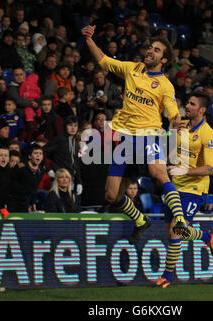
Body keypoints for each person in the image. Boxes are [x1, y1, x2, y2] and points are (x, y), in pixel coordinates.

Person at [82, 24, 190, 243]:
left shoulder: (165, 85)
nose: (150, 51)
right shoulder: (132, 68)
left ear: (164, 60)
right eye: (150, 47)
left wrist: (177, 121)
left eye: (157, 50)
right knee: (112, 196)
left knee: (159, 174)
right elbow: (103, 61)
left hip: (148, 135)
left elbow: (172, 112)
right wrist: (88, 39)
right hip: (124, 139)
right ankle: (141, 220)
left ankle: (180, 220)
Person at [156, 90, 213, 288]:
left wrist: (184, 171)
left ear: (202, 109)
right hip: (174, 187)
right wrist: (171, 131)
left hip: (194, 188)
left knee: (177, 228)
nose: (187, 107)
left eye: (192, 104)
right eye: (187, 103)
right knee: (171, 231)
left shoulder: (208, 133)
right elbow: (171, 150)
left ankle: (167, 275)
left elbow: (210, 168)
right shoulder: (181, 125)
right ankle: (206, 237)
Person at [43, 115, 83, 198]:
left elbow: (76, 164)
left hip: (71, 181)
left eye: (75, 125)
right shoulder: (59, 139)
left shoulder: (75, 143)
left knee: (68, 208)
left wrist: (79, 182)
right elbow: (42, 151)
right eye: (70, 125)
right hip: (59, 180)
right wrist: (48, 169)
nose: (73, 128)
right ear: (65, 126)